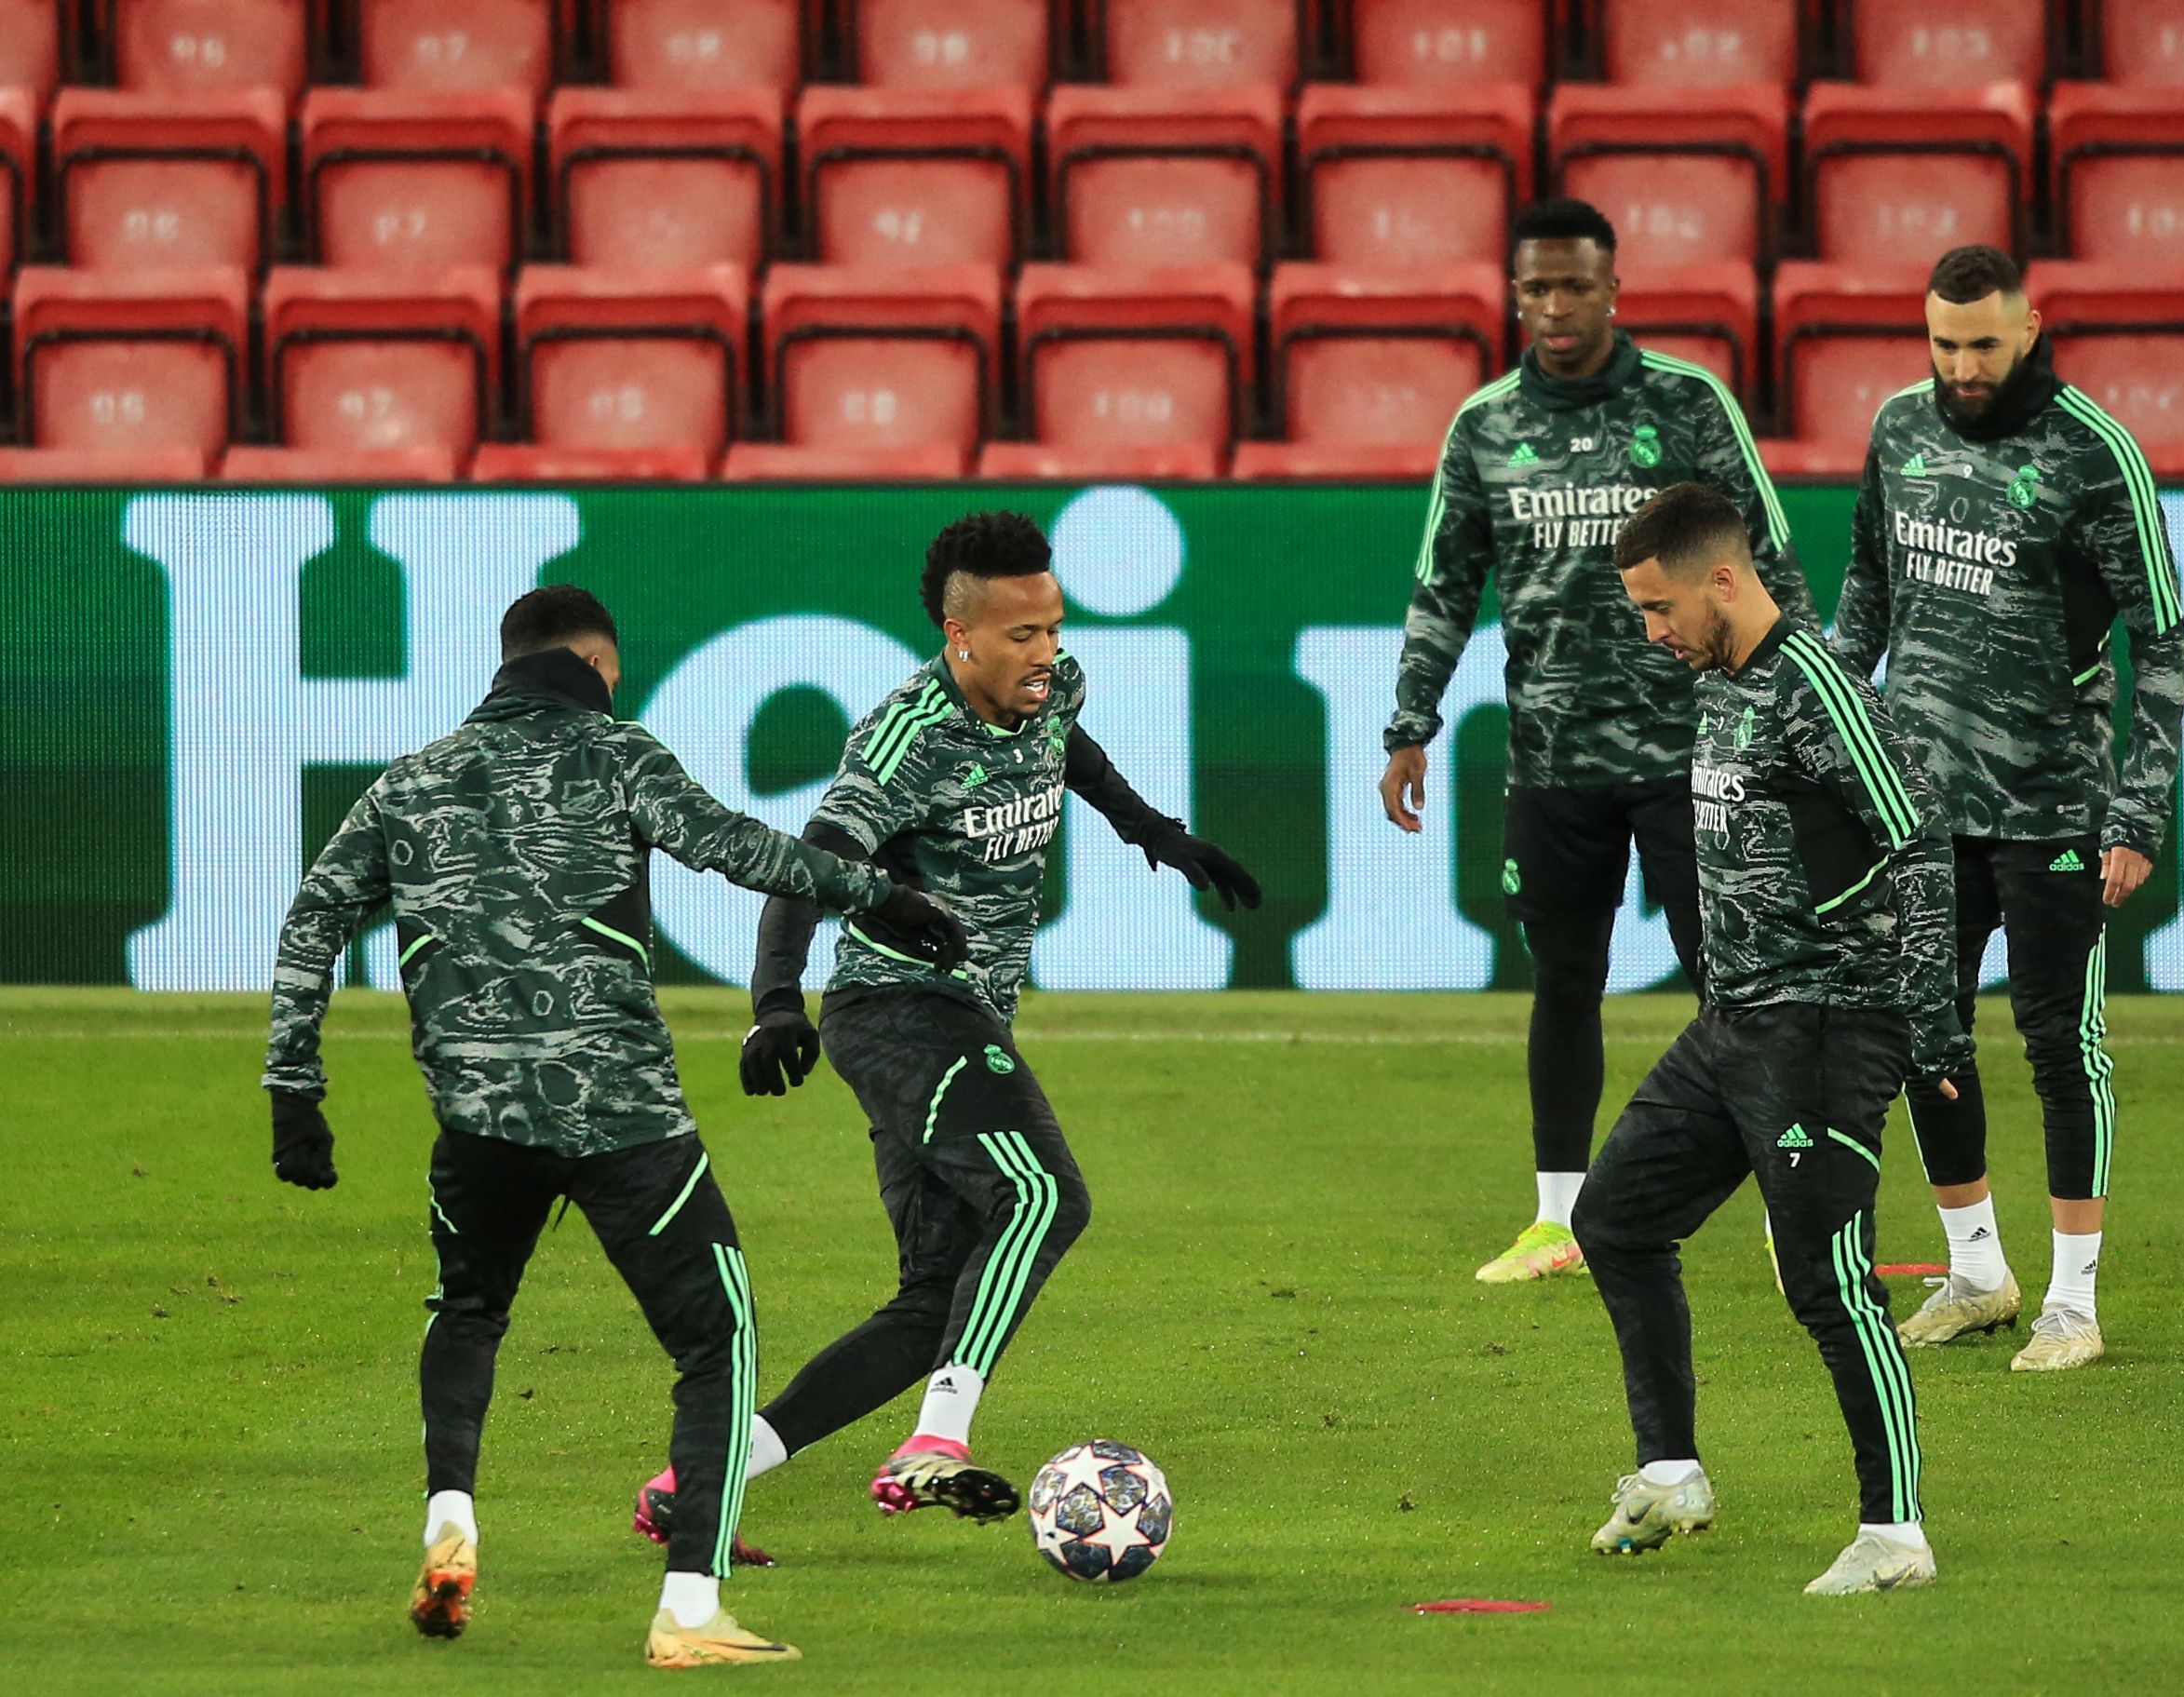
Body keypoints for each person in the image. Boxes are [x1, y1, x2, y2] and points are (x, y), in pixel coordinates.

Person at [262, 585, 957, 1667]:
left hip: (478, 1119)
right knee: (714, 1339)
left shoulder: (413, 779)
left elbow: (312, 923)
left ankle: (453, 1519)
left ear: (507, 661)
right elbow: (739, 847)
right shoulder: (617, 753)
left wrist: (293, 1091)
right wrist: (876, 895)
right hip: (621, 1113)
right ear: (598, 662)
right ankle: (688, 1607)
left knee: (469, 1311)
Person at [631, 511, 1259, 1550]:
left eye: (1053, 627)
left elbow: (1072, 750)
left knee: (933, 1300)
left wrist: (1152, 830)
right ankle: (935, 1442)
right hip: (899, 1011)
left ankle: (698, 1477)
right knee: (1044, 1194)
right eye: (1020, 635)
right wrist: (775, 999)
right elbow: (810, 859)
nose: (1046, 653)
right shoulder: (906, 738)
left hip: (962, 1015)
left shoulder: (1055, 687)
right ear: (958, 634)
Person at [1382, 196, 1816, 1285]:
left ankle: (1789, 1203)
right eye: (1536, 287)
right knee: (1562, 980)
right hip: (1552, 759)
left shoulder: (1685, 401)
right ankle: (1555, 1218)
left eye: (1576, 284)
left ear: (1612, 287)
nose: (1556, 305)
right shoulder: (1483, 425)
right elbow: (1443, 586)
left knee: (1734, 974)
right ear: (1514, 293)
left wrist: (1805, 707)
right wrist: (1408, 723)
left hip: (1696, 750)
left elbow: (1771, 557)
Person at [1574, 482, 1967, 1596]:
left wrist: (1933, 1031)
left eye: (1658, 608)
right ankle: (1668, 1469)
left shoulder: (1812, 683)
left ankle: (1895, 1533)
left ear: (1723, 578)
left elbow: (1918, 842)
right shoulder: (1724, 683)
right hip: (1731, 1024)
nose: (1652, 633)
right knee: (1615, 1216)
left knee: (1827, 1277)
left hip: (1825, 1029)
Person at [1830, 244, 2184, 1372]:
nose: (1961, 364)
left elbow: (2162, 634)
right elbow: (1865, 592)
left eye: (1982, 341)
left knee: (2058, 1045)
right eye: (1942, 342)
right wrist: (1833, 745)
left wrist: (2136, 808)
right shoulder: (1896, 428)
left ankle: (2072, 1304)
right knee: (1921, 1031)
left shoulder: (2094, 454)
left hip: (2053, 807)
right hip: (1917, 808)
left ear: (2030, 326)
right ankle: (1977, 1269)